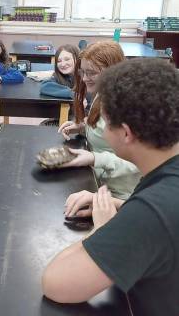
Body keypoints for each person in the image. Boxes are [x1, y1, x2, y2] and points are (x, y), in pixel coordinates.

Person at [42, 58, 179, 316]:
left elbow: (56, 283)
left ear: (126, 133)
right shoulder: (166, 175)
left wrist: (102, 229)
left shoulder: (153, 211)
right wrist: (122, 206)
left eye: (105, 124)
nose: (103, 134)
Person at [58, 41, 141, 202]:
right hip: (98, 182)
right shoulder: (101, 93)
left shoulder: (129, 106)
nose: (84, 78)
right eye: (83, 72)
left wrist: (95, 158)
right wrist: (82, 128)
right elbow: (103, 128)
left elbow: (139, 162)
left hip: (121, 195)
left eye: (91, 73)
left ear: (112, 71)